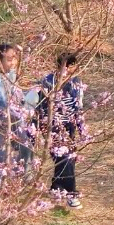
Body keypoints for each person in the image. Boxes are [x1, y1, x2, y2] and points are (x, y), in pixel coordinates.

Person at [36, 52, 86, 209]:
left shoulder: (77, 82)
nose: (73, 69)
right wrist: (43, 128)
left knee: (64, 159)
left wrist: (81, 128)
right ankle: (71, 194)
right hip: (53, 126)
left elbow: (78, 106)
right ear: (62, 67)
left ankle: (56, 187)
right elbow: (41, 107)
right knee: (66, 158)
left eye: (74, 66)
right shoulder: (48, 82)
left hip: (69, 126)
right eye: (70, 66)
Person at [0, 43, 33, 183]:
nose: (13, 62)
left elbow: (19, 97)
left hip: (16, 123)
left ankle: (22, 178)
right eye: (9, 59)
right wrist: (3, 115)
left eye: (15, 58)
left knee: (27, 147)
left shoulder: (12, 75)